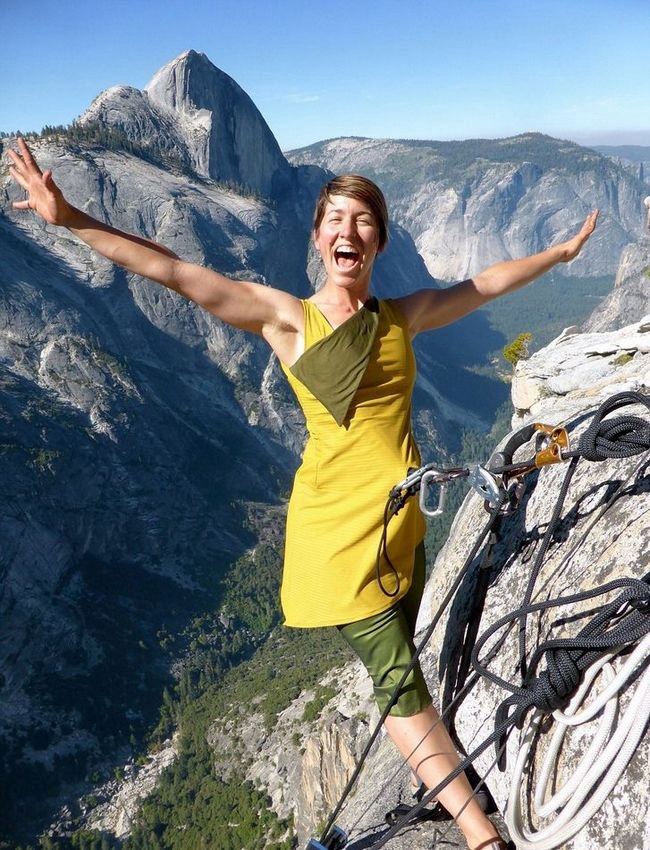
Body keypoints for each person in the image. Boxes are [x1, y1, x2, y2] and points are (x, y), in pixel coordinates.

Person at [7, 138, 598, 850]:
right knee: (397, 681)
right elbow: (174, 270)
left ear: (378, 239)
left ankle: (433, 779)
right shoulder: (288, 319)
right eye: (336, 219)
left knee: (405, 664)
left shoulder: (398, 318)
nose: (349, 231)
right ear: (318, 236)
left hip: (401, 528)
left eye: (364, 221)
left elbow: (485, 284)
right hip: (337, 535)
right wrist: (71, 219)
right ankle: (481, 834)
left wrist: (559, 257)